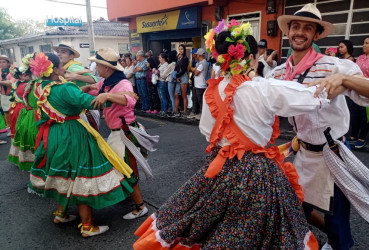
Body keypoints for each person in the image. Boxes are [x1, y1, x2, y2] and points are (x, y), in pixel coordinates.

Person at [132, 19, 348, 250]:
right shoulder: (262, 88)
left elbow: (207, 132)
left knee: (210, 222)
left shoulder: (212, 90)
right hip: (257, 172)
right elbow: (310, 97)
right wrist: (341, 79)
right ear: (252, 58)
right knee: (259, 229)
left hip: (220, 166)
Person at [267, 4, 369, 249]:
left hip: (331, 154)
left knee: (338, 222)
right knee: (294, 206)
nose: (300, 32)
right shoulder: (279, 73)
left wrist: (346, 80)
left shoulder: (334, 65)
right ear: (288, 31)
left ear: (316, 35)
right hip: (302, 152)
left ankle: (337, 242)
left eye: (308, 28)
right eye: (295, 26)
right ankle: (329, 235)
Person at [28, 52, 137, 237]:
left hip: (54, 134)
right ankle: (87, 227)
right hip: (72, 133)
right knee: (81, 175)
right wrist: (112, 96)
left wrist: (83, 89)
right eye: (61, 65)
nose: (64, 68)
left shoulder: (39, 87)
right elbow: (93, 103)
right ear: (54, 70)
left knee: (66, 174)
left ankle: (60, 214)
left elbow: (66, 100)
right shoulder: (65, 88)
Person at [83, 48, 158, 220]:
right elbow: (95, 88)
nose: (96, 67)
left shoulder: (122, 84)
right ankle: (128, 196)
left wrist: (108, 96)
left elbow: (129, 101)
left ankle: (140, 207)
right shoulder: (107, 82)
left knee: (127, 169)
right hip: (116, 134)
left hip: (124, 134)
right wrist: (86, 85)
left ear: (107, 68)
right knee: (119, 167)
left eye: (98, 64)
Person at [53, 41, 100, 130]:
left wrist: (76, 76)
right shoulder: (64, 67)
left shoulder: (72, 67)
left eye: (63, 52)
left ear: (71, 56)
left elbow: (94, 79)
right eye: (58, 51)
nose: (59, 54)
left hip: (80, 110)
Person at [349, 35, 369, 148]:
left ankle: (362, 137)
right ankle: (353, 135)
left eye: (367, 43)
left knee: (366, 116)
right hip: (356, 89)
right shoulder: (360, 58)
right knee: (355, 114)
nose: (364, 45)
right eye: (364, 43)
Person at [7, 64, 31, 167]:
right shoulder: (27, 85)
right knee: (26, 131)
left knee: (17, 131)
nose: (26, 75)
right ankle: (27, 158)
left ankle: (18, 156)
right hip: (24, 109)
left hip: (15, 109)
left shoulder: (16, 84)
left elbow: (11, 98)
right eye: (24, 74)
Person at [188, 48, 208, 120]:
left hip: (201, 85)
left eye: (197, 55)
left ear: (200, 55)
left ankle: (201, 114)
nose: (196, 56)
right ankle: (196, 112)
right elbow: (194, 70)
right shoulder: (199, 63)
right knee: (195, 99)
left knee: (200, 101)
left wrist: (194, 70)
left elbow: (196, 73)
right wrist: (194, 70)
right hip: (197, 85)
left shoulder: (202, 63)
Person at [0, 55, 15, 135]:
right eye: (0, 62)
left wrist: (1, 82)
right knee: (6, 112)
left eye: (4, 62)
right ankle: (10, 128)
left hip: (12, 95)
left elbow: (11, 83)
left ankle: (14, 128)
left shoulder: (12, 71)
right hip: (3, 95)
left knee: (12, 111)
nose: (1, 64)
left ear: (8, 63)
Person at [173, 44, 189, 117]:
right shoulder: (178, 58)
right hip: (178, 77)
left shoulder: (185, 58)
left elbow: (183, 70)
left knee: (184, 95)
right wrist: (176, 77)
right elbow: (176, 68)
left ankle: (185, 112)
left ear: (184, 50)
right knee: (176, 95)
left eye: (181, 49)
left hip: (183, 77)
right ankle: (176, 111)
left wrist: (177, 76)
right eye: (179, 49)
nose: (180, 50)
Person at [154, 52, 170, 116]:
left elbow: (164, 75)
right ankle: (162, 109)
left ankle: (165, 110)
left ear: (163, 58)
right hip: (159, 81)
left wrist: (157, 72)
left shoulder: (166, 65)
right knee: (160, 96)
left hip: (163, 82)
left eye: (160, 58)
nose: (159, 59)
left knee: (163, 96)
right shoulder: (160, 65)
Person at [166, 50, 178, 115]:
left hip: (170, 80)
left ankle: (174, 110)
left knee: (172, 97)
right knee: (174, 96)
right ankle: (175, 109)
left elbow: (165, 73)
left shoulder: (171, 64)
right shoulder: (176, 63)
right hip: (174, 80)